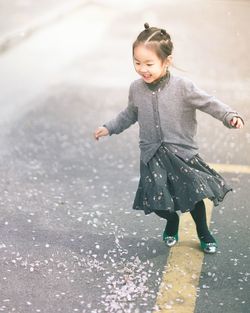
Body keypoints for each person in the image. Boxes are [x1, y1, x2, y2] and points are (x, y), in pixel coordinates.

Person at [94, 23, 244, 254]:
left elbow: (208, 102)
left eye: (149, 64)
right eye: (137, 62)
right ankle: (171, 221)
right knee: (156, 201)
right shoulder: (136, 88)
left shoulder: (183, 87)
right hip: (152, 155)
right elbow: (130, 114)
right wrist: (109, 127)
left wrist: (229, 115)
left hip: (182, 153)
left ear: (167, 61)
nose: (142, 69)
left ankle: (203, 232)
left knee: (194, 198)